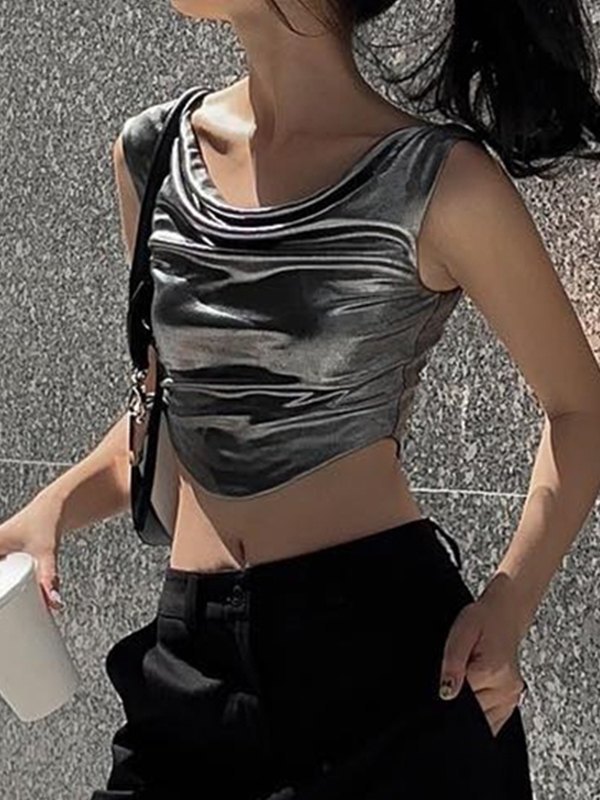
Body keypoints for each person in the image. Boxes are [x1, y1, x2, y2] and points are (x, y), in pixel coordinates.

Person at [2, 0, 600, 797]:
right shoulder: (151, 154)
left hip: (384, 665)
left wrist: (510, 602)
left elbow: (580, 407)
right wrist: (51, 509)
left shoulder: (436, 181)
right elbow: (179, 411)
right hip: (191, 661)